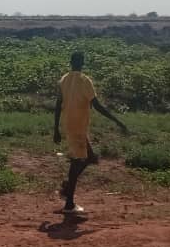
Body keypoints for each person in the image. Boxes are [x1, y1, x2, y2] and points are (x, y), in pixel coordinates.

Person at [53, 51, 128, 215]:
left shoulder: (64, 79)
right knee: (76, 162)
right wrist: (117, 121)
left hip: (70, 125)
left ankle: (67, 187)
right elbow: (97, 106)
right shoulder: (85, 81)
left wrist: (56, 130)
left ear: (71, 62)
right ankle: (69, 204)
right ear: (82, 63)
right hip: (78, 127)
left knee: (91, 158)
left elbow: (58, 105)